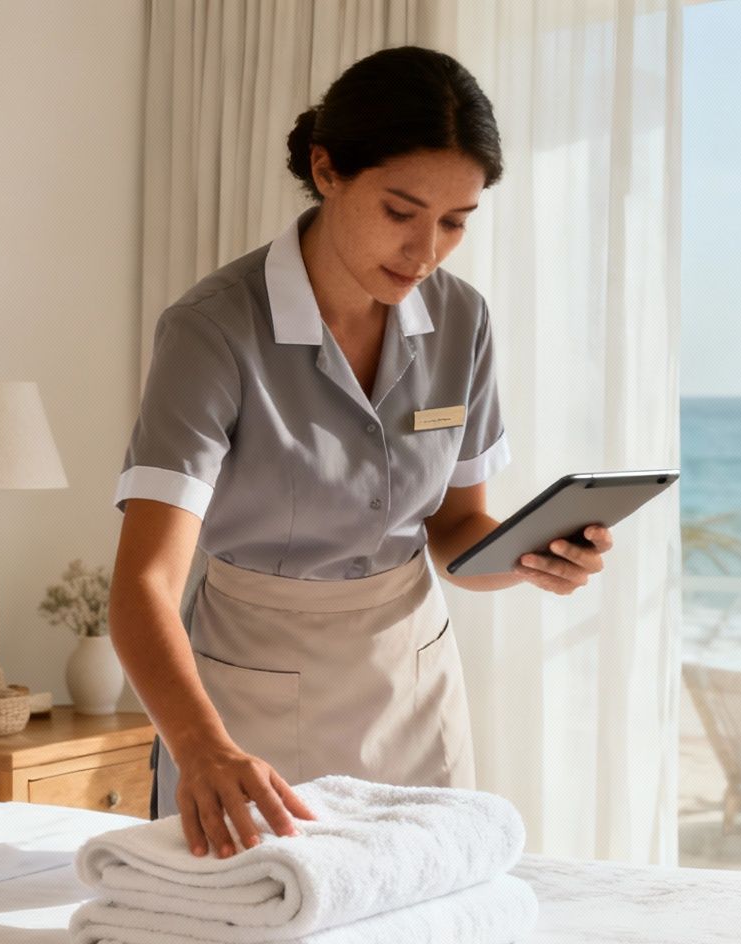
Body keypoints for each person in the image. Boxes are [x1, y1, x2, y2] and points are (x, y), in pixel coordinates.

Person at [109, 46, 613, 860]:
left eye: (454, 222)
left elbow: (457, 530)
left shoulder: (461, 321)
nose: (425, 252)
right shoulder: (212, 332)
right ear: (327, 168)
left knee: (431, 922)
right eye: (400, 211)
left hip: (414, 686)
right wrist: (202, 748)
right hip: (248, 705)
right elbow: (143, 583)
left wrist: (525, 558)